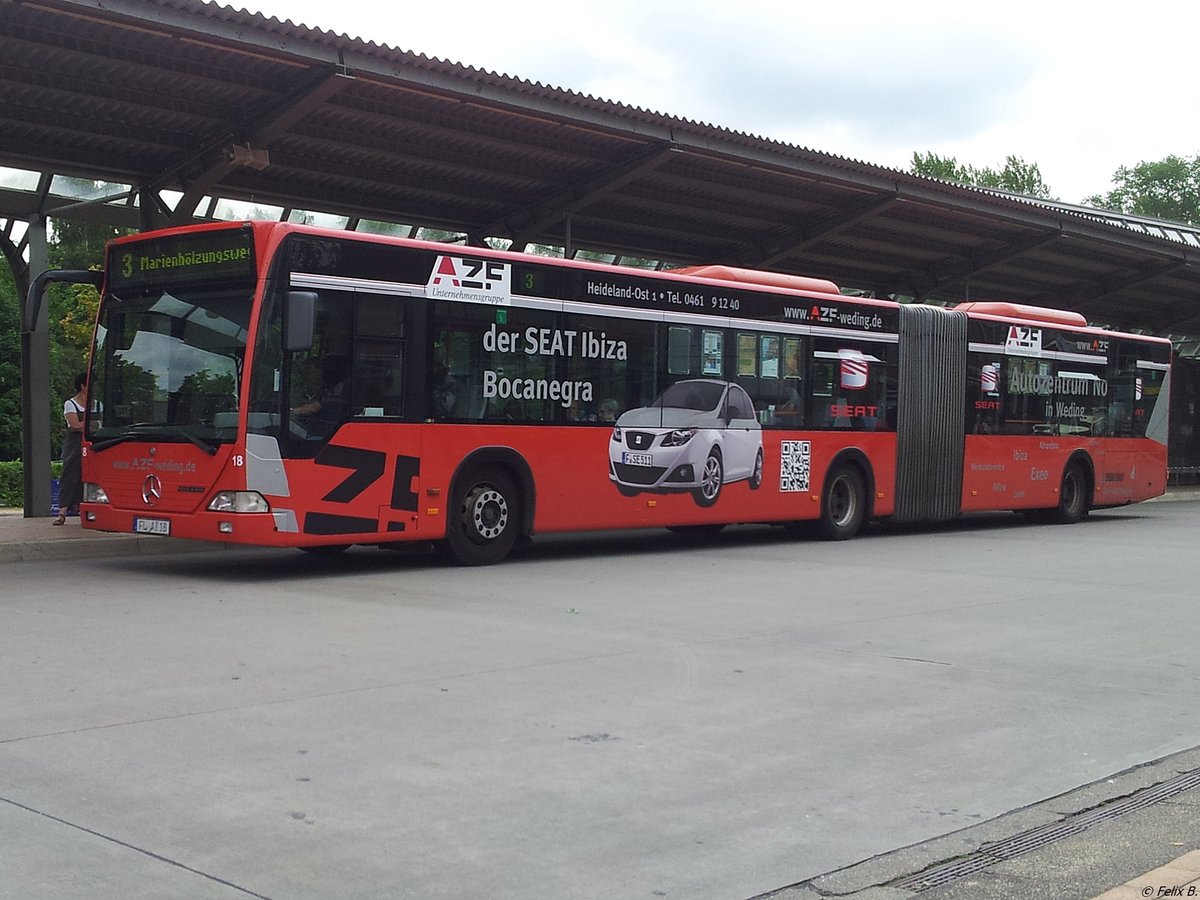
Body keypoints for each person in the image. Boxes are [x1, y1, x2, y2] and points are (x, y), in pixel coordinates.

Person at [54, 373, 87, 526]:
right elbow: (74, 425)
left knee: (88, 476)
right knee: (69, 476)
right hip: (74, 447)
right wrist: (90, 426)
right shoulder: (70, 404)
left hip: (91, 445)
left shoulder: (98, 403)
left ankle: (85, 508)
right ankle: (62, 512)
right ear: (82, 386)